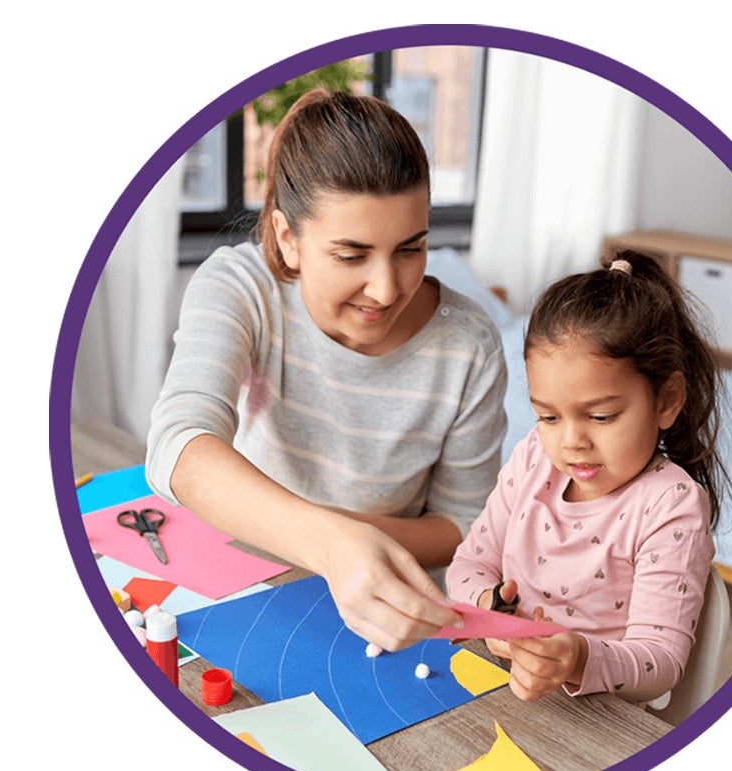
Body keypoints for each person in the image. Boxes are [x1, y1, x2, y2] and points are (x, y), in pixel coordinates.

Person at [146, 88, 507, 651]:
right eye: (351, 255)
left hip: (391, 619)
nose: (387, 289)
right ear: (289, 238)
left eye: (411, 248)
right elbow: (177, 444)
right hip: (249, 586)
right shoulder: (242, 288)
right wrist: (330, 541)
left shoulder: (470, 345)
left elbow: (465, 526)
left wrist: (348, 543)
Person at [446, 250, 729, 703]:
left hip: (602, 719)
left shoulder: (670, 504)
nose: (571, 442)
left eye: (600, 417)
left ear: (667, 400)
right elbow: (468, 565)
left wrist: (577, 657)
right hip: (503, 686)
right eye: (549, 417)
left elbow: (661, 662)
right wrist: (489, 611)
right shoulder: (533, 459)